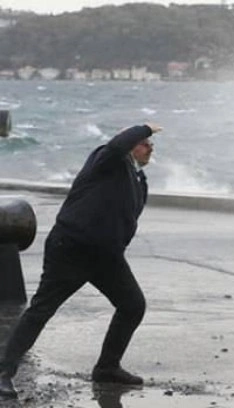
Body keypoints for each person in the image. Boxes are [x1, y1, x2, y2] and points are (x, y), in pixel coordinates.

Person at [0, 124, 162, 399]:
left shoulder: (138, 180)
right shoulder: (108, 159)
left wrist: (117, 245)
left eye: (150, 144)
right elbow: (116, 145)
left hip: (106, 257)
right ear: (131, 144)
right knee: (41, 310)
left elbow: (127, 219)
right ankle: (3, 373)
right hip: (71, 249)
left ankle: (107, 367)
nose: (150, 147)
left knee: (132, 305)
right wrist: (144, 127)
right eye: (145, 142)